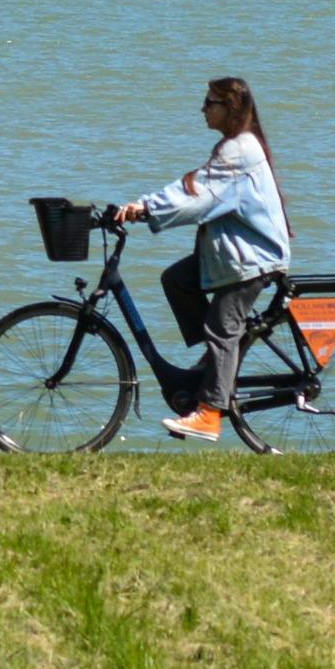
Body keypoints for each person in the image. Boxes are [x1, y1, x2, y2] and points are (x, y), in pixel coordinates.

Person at [113, 75, 290, 441]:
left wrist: (144, 208)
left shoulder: (239, 150)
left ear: (231, 109)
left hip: (252, 259)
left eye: (209, 103)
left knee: (222, 328)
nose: (202, 109)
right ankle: (212, 365)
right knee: (177, 280)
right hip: (233, 254)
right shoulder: (235, 146)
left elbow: (195, 195)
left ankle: (209, 413)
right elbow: (197, 186)